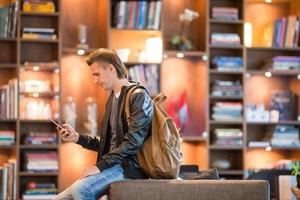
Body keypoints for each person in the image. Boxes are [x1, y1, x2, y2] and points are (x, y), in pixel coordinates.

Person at [54, 48, 153, 200]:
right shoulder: (113, 98)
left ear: (111, 69)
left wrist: (100, 167)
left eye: (97, 74)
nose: (95, 80)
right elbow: (108, 144)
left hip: (130, 168)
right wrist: (77, 138)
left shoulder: (138, 96)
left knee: (82, 190)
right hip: (113, 166)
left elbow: (133, 142)